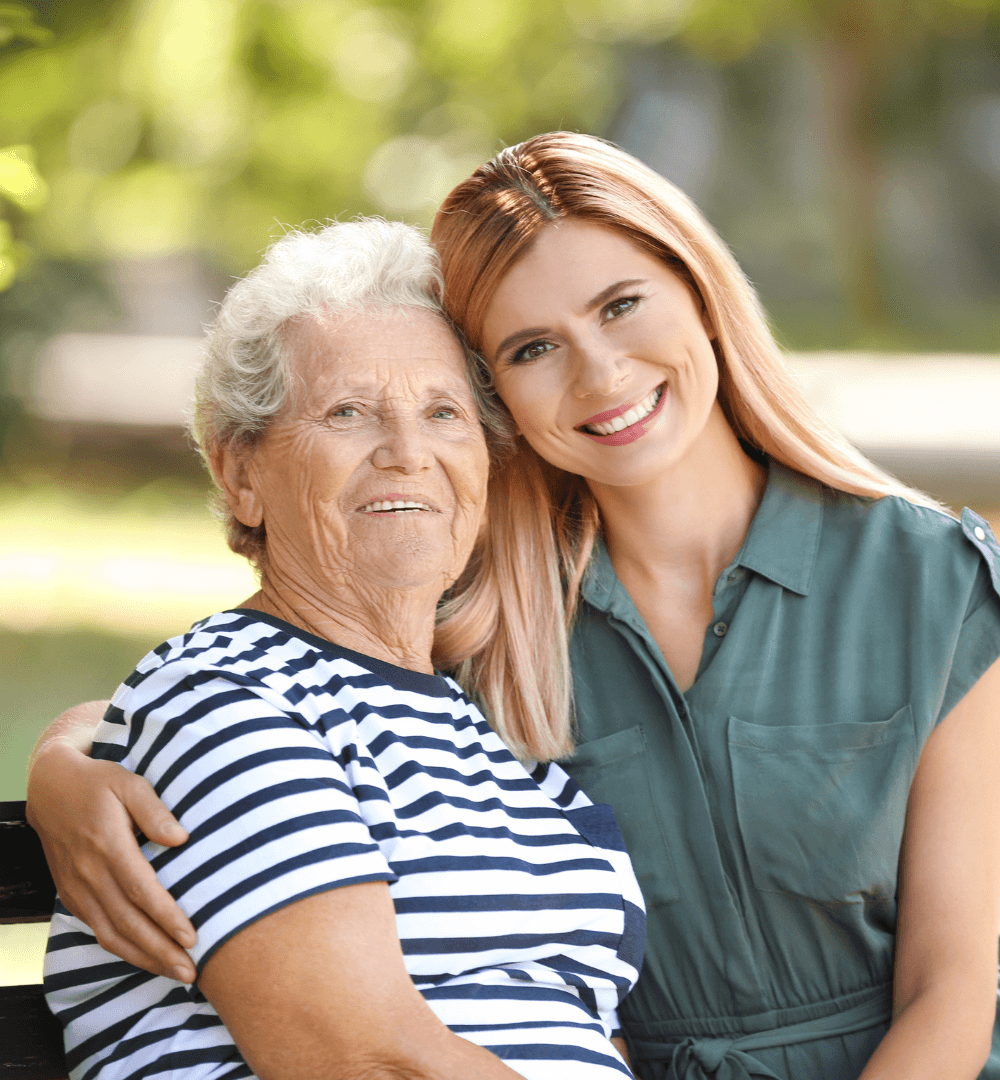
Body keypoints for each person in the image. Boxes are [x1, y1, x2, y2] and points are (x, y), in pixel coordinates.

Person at [28, 133, 1000, 1079]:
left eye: (622, 304)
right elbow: (260, 684)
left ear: (699, 289)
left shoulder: (923, 575)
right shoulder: (492, 618)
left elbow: (951, 990)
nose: (600, 371)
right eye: (531, 349)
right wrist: (69, 763)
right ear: (502, 401)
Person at [35, 216, 645, 1080]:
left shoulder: (488, 739)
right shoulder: (227, 703)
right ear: (240, 473)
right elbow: (361, 1059)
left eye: (444, 413)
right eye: (349, 413)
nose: (408, 454)